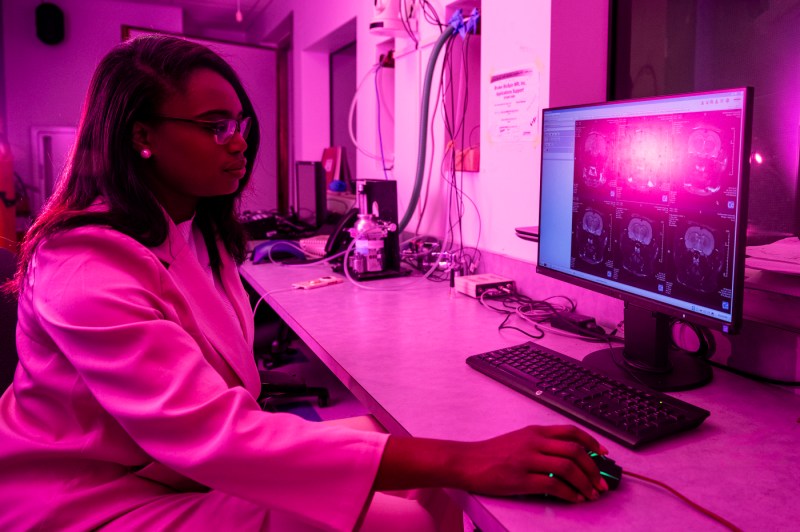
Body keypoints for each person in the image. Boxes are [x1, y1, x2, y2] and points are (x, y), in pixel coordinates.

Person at [0, 35, 609, 530]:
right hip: (95, 496)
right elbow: (214, 434)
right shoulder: (83, 266)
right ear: (141, 136)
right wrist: (469, 460)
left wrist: (459, 459)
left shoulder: (193, 230)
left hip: (172, 460)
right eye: (215, 127)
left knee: (424, 451)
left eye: (239, 123)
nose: (240, 143)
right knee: (415, 513)